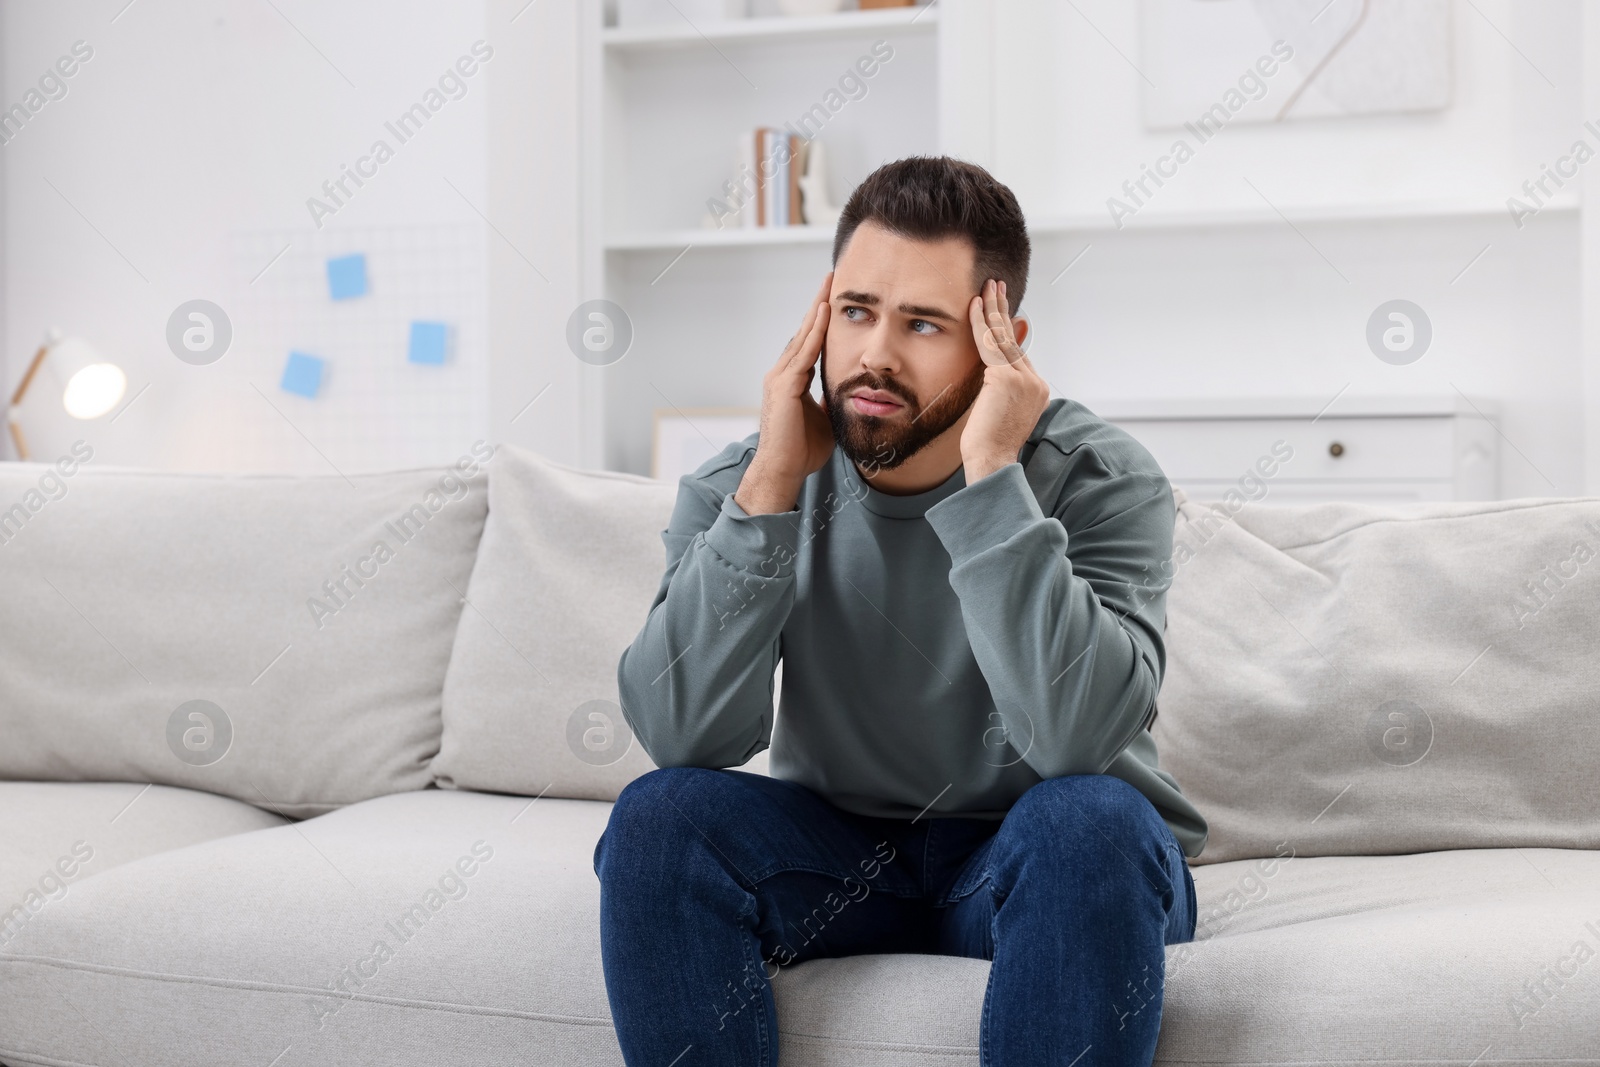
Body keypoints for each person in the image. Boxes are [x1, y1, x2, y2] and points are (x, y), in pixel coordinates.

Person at [593, 155, 1207, 1067]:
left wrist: (994, 475)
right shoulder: (747, 482)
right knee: (658, 816)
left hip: (1038, 854)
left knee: (1090, 817)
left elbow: (1077, 740)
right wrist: (769, 489)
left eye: (922, 323)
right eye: (856, 311)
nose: (876, 352)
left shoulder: (1097, 479)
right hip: (832, 859)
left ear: (1002, 341)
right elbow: (684, 734)